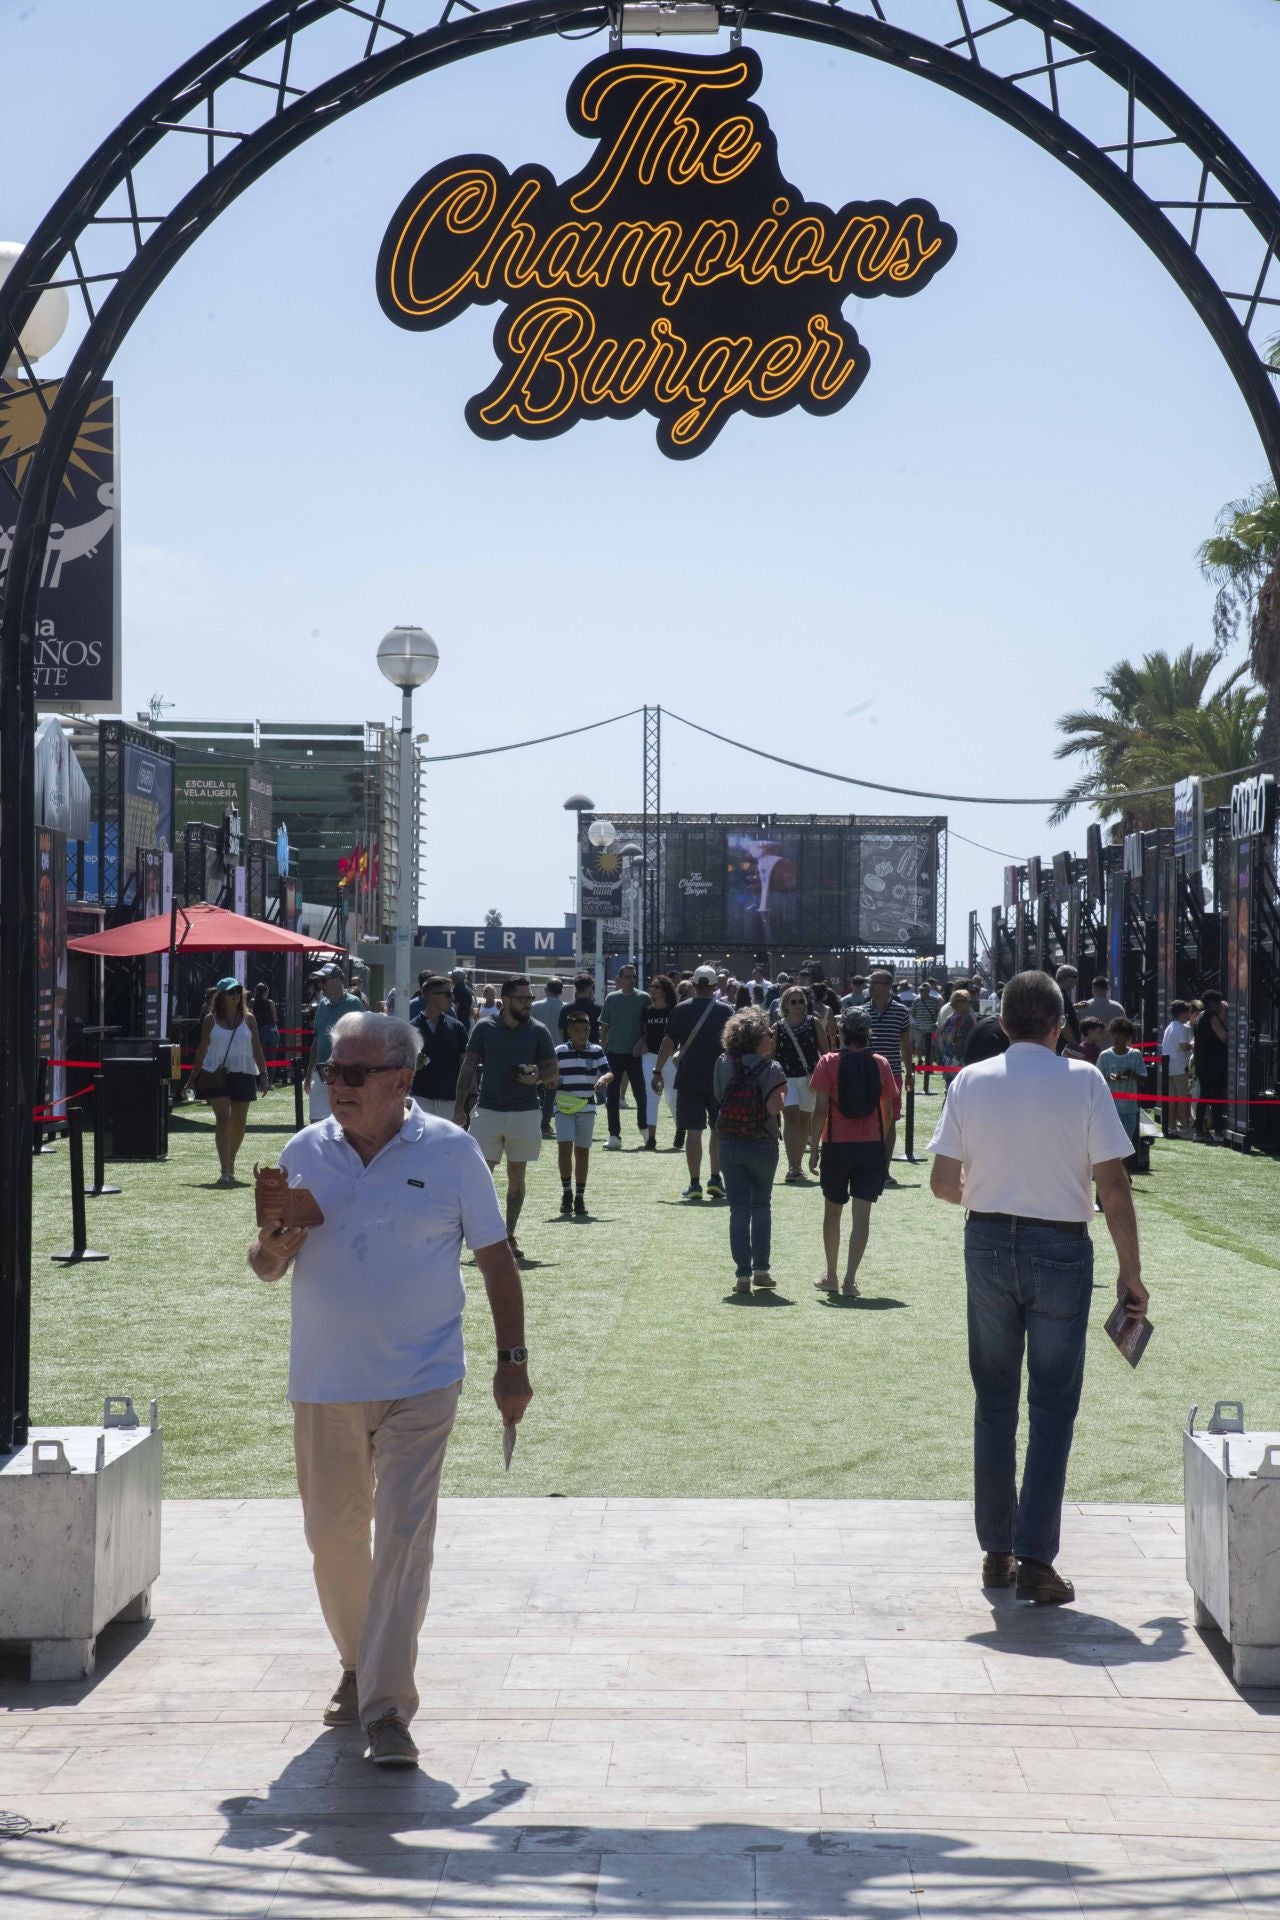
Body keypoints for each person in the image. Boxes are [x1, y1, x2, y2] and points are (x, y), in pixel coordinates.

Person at [249, 1011, 530, 1769]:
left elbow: (498, 1262)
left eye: (353, 1073)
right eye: (330, 1072)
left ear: (401, 1080)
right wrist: (272, 1248)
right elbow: (265, 1267)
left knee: (404, 1541)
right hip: (326, 1378)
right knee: (333, 1541)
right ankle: (356, 1661)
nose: (335, 1085)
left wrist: (513, 1359)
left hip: (423, 1377)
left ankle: (387, 1708)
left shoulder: (452, 1151)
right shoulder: (304, 1151)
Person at [927, 969, 1148, 1606]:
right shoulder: (1084, 1080)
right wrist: (1130, 1273)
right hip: (1061, 1248)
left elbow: (944, 1184)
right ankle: (1035, 1558)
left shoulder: (970, 1079)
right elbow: (1114, 1187)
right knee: (1051, 1406)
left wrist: (998, 1193)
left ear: (1000, 1024)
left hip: (988, 1240)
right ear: (1060, 1025)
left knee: (993, 1400)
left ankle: (996, 1551)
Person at [454, 977, 557, 1259]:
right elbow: (469, 1067)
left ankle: (508, 1236)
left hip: (525, 1112)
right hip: (488, 1111)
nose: (528, 1004)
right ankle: (483, 1238)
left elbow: (552, 1070)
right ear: (508, 999)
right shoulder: (484, 1027)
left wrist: (538, 1077)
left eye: (530, 999)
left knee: (517, 1178)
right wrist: (459, 1107)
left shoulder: (539, 1031)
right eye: (523, 999)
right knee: (481, 1179)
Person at [807, 1012, 897, 1298]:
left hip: (836, 1145)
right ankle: (850, 1280)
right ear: (868, 1034)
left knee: (832, 1212)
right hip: (869, 1145)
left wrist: (813, 1147)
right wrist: (879, 1143)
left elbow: (820, 1108)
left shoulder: (829, 1062)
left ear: (841, 1034)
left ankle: (831, 1275)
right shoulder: (880, 1063)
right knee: (862, 1217)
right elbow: (888, 1111)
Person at [712, 1007, 787, 1293]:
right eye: (768, 1033)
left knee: (738, 1209)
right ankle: (761, 1271)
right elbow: (773, 1107)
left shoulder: (722, 1062)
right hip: (762, 1142)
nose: (772, 1036)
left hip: (729, 1140)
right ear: (758, 1038)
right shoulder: (772, 1069)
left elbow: (720, 1096)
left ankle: (742, 1275)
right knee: (761, 1205)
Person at [652, 964, 733, 1199]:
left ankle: (695, 1183)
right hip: (720, 1078)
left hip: (688, 1077)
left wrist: (657, 1071)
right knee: (718, 1130)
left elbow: (668, 1043)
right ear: (715, 986)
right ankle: (716, 1178)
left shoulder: (680, 1009)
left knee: (693, 1132)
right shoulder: (726, 1011)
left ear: (694, 985)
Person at [185, 977, 269, 1185]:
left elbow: (257, 1048)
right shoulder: (210, 1020)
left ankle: (231, 1163)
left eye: (238, 991)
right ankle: (225, 1169)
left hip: (243, 1071)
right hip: (216, 1072)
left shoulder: (249, 1019)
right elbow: (202, 1049)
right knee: (223, 1118)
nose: (236, 995)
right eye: (231, 992)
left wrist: (264, 1076)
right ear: (221, 996)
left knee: (239, 1125)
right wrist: (192, 1077)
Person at [553, 1010, 612, 1216]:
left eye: (586, 1030)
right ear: (569, 1031)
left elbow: (609, 1071)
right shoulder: (559, 1051)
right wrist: (550, 1079)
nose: (582, 1034)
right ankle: (566, 1193)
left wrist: (604, 1079)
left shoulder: (596, 1050)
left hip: (587, 1106)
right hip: (563, 1106)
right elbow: (549, 1073)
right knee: (564, 1147)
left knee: (582, 1151)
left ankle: (579, 1197)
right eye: (577, 1030)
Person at [857, 969, 912, 1179]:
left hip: (892, 1074)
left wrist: (909, 1072)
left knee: (890, 1121)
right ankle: (865, 1167)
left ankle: (884, 1170)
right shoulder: (861, 1012)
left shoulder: (901, 1011)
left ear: (888, 987)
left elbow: (906, 1043)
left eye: (875, 983)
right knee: (864, 1119)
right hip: (864, 1073)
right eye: (870, 982)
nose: (869, 986)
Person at [772, 985, 826, 1182]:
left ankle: (798, 1165)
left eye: (801, 1001)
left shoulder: (814, 1023)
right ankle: (792, 1166)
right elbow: (770, 1055)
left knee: (805, 1122)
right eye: (793, 1001)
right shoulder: (777, 1027)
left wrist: (824, 1078)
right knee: (791, 1117)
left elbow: (825, 1053)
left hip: (809, 1080)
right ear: (785, 1004)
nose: (798, 1005)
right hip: (786, 1080)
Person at [599, 964, 651, 1151]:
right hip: (613, 1054)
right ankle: (614, 1135)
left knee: (641, 1095)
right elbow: (604, 1027)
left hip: (635, 1055)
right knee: (612, 1098)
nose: (631, 980)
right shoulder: (611, 999)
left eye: (634, 976)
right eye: (628, 976)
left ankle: (644, 1130)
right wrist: (602, 1051)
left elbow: (649, 1029)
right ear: (619, 978)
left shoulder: (644, 998)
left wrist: (641, 1042)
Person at [305, 966, 366, 1123]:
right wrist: (309, 1074)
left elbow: (362, 1039)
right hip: (320, 1072)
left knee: (343, 1121)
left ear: (338, 981)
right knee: (316, 1123)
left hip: (344, 1073)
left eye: (324, 981)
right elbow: (318, 1040)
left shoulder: (354, 1004)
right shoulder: (322, 1005)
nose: (321, 985)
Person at [411, 976, 469, 1119]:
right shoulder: (411, 1029)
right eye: (448, 994)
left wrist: (468, 1100)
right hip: (420, 1100)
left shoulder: (457, 1027)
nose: (453, 998)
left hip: (450, 1101)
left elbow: (466, 1065)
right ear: (432, 997)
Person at [1096, 1017, 1148, 1167]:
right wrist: (1115, 1076)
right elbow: (1099, 1080)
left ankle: (1123, 1169)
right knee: (1112, 1143)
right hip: (1111, 1107)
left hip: (1130, 1107)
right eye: (1114, 1035)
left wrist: (1132, 1074)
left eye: (1121, 1035)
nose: (1117, 1039)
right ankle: (1118, 1171)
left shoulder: (1135, 1055)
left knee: (1126, 1144)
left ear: (1128, 1037)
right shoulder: (1105, 1056)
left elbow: (1143, 1079)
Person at [640, 974, 678, 1150]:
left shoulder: (675, 1010)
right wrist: (641, 1044)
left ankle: (680, 1129)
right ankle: (651, 1138)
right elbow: (646, 1033)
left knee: (672, 1098)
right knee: (652, 1096)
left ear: (665, 990)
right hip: (650, 1057)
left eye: (656, 987)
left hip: (670, 1058)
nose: (652, 990)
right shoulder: (647, 1011)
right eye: (651, 986)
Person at [532, 977, 567, 1135]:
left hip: (536, 1052)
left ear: (546, 990)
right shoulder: (565, 1008)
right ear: (561, 991)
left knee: (534, 1087)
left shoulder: (534, 1007)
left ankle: (535, 1121)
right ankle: (545, 1124)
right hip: (557, 1054)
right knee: (551, 1091)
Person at [1193, 989, 1228, 1141]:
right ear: (1214, 1003)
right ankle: (1219, 1130)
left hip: (1202, 1063)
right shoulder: (1211, 1016)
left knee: (1204, 1097)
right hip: (1213, 1064)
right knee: (1216, 1098)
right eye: (1220, 1003)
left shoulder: (1200, 1016)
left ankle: (1199, 1131)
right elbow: (1223, 1036)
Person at [1162, 999, 1195, 1135]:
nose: (1189, 1016)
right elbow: (1183, 1046)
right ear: (1182, 1014)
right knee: (1182, 1098)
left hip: (1169, 1068)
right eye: (1188, 1013)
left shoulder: (1170, 1027)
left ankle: (1172, 1126)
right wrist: (1193, 1044)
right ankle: (1185, 1126)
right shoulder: (1182, 1028)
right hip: (1180, 1067)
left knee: (1172, 1098)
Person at [936, 988, 977, 1071]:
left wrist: (944, 1054)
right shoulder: (966, 1020)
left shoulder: (949, 1018)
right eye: (968, 1001)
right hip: (960, 1063)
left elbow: (939, 1035)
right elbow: (961, 1042)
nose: (970, 1004)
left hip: (947, 1060)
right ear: (959, 1003)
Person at [559, 971, 602, 1043]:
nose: (592, 991)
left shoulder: (565, 1009)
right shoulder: (597, 1009)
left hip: (571, 1049)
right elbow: (603, 1030)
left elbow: (561, 1031)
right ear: (588, 988)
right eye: (592, 988)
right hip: (591, 1050)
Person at [252, 981, 281, 1085]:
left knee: (260, 1056)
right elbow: (275, 1018)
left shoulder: (253, 1002)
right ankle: (270, 1081)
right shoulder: (270, 1003)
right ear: (265, 992)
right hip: (271, 1029)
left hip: (259, 1029)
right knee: (272, 1056)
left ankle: (259, 1080)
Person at [909, 988, 937, 1088]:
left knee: (932, 1046)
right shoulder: (916, 1000)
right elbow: (913, 1012)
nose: (921, 992)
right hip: (919, 1027)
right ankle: (920, 1060)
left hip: (932, 1027)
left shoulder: (935, 1000)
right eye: (920, 990)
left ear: (928, 991)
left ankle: (929, 1065)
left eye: (923, 990)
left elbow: (937, 1011)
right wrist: (917, 1022)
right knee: (918, 1046)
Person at [1055, 966, 1082, 1053]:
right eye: (1075, 977)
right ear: (1066, 978)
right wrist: (1074, 1043)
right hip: (1064, 1046)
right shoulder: (1061, 996)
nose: (1076, 981)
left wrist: (1073, 1007)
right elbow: (1063, 1023)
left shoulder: (1057, 993)